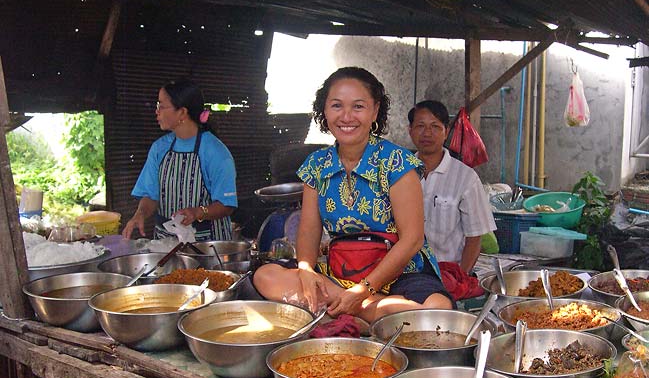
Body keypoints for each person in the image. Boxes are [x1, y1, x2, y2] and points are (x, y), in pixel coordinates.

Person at [253, 67, 452, 323]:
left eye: (358, 107)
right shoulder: (317, 165)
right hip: (341, 269)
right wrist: (305, 268)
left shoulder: (397, 162)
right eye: (337, 106)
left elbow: (412, 240)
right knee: (266, 275)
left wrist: (362, 291)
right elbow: (309, 231)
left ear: (374, 110)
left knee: (438, 307)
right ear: (324, 110)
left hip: (400, 272)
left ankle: (352, 308)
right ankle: (375, 313)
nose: (346, 116)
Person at [122, 79, 237, 241]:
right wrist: (139, 214)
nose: (157, 111)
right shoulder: (159, 148)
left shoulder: (215, 152)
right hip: (165, 244)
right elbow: (151, 196)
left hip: (207, 245)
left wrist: (197, 212)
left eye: (162, 105)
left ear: (182, 112)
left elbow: (227, 205)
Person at [408, 100, 495, 273]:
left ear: (446, 132)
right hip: (405, 273)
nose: (427, 133)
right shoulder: (400, 172)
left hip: (448, 272)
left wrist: (460, 277)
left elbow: (474, 237)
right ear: (410, 131)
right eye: (420, 126)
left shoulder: (466, 178)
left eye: (435, 126)